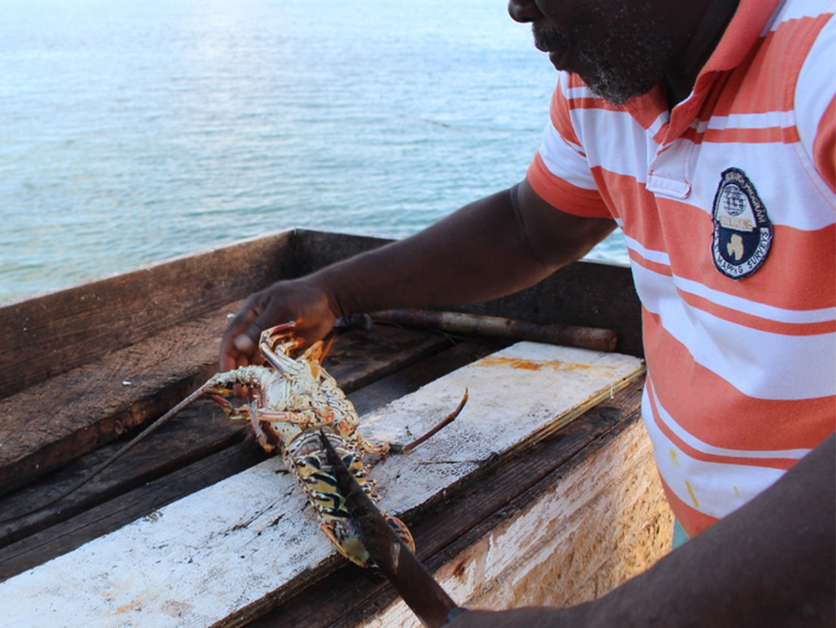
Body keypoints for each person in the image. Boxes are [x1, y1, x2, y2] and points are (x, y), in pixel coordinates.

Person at [219, 0, 835, 625]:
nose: (517, 8)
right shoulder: (607, 82)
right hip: (713, 556)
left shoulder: (823, 63)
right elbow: (528, 229)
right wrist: (333, 293)